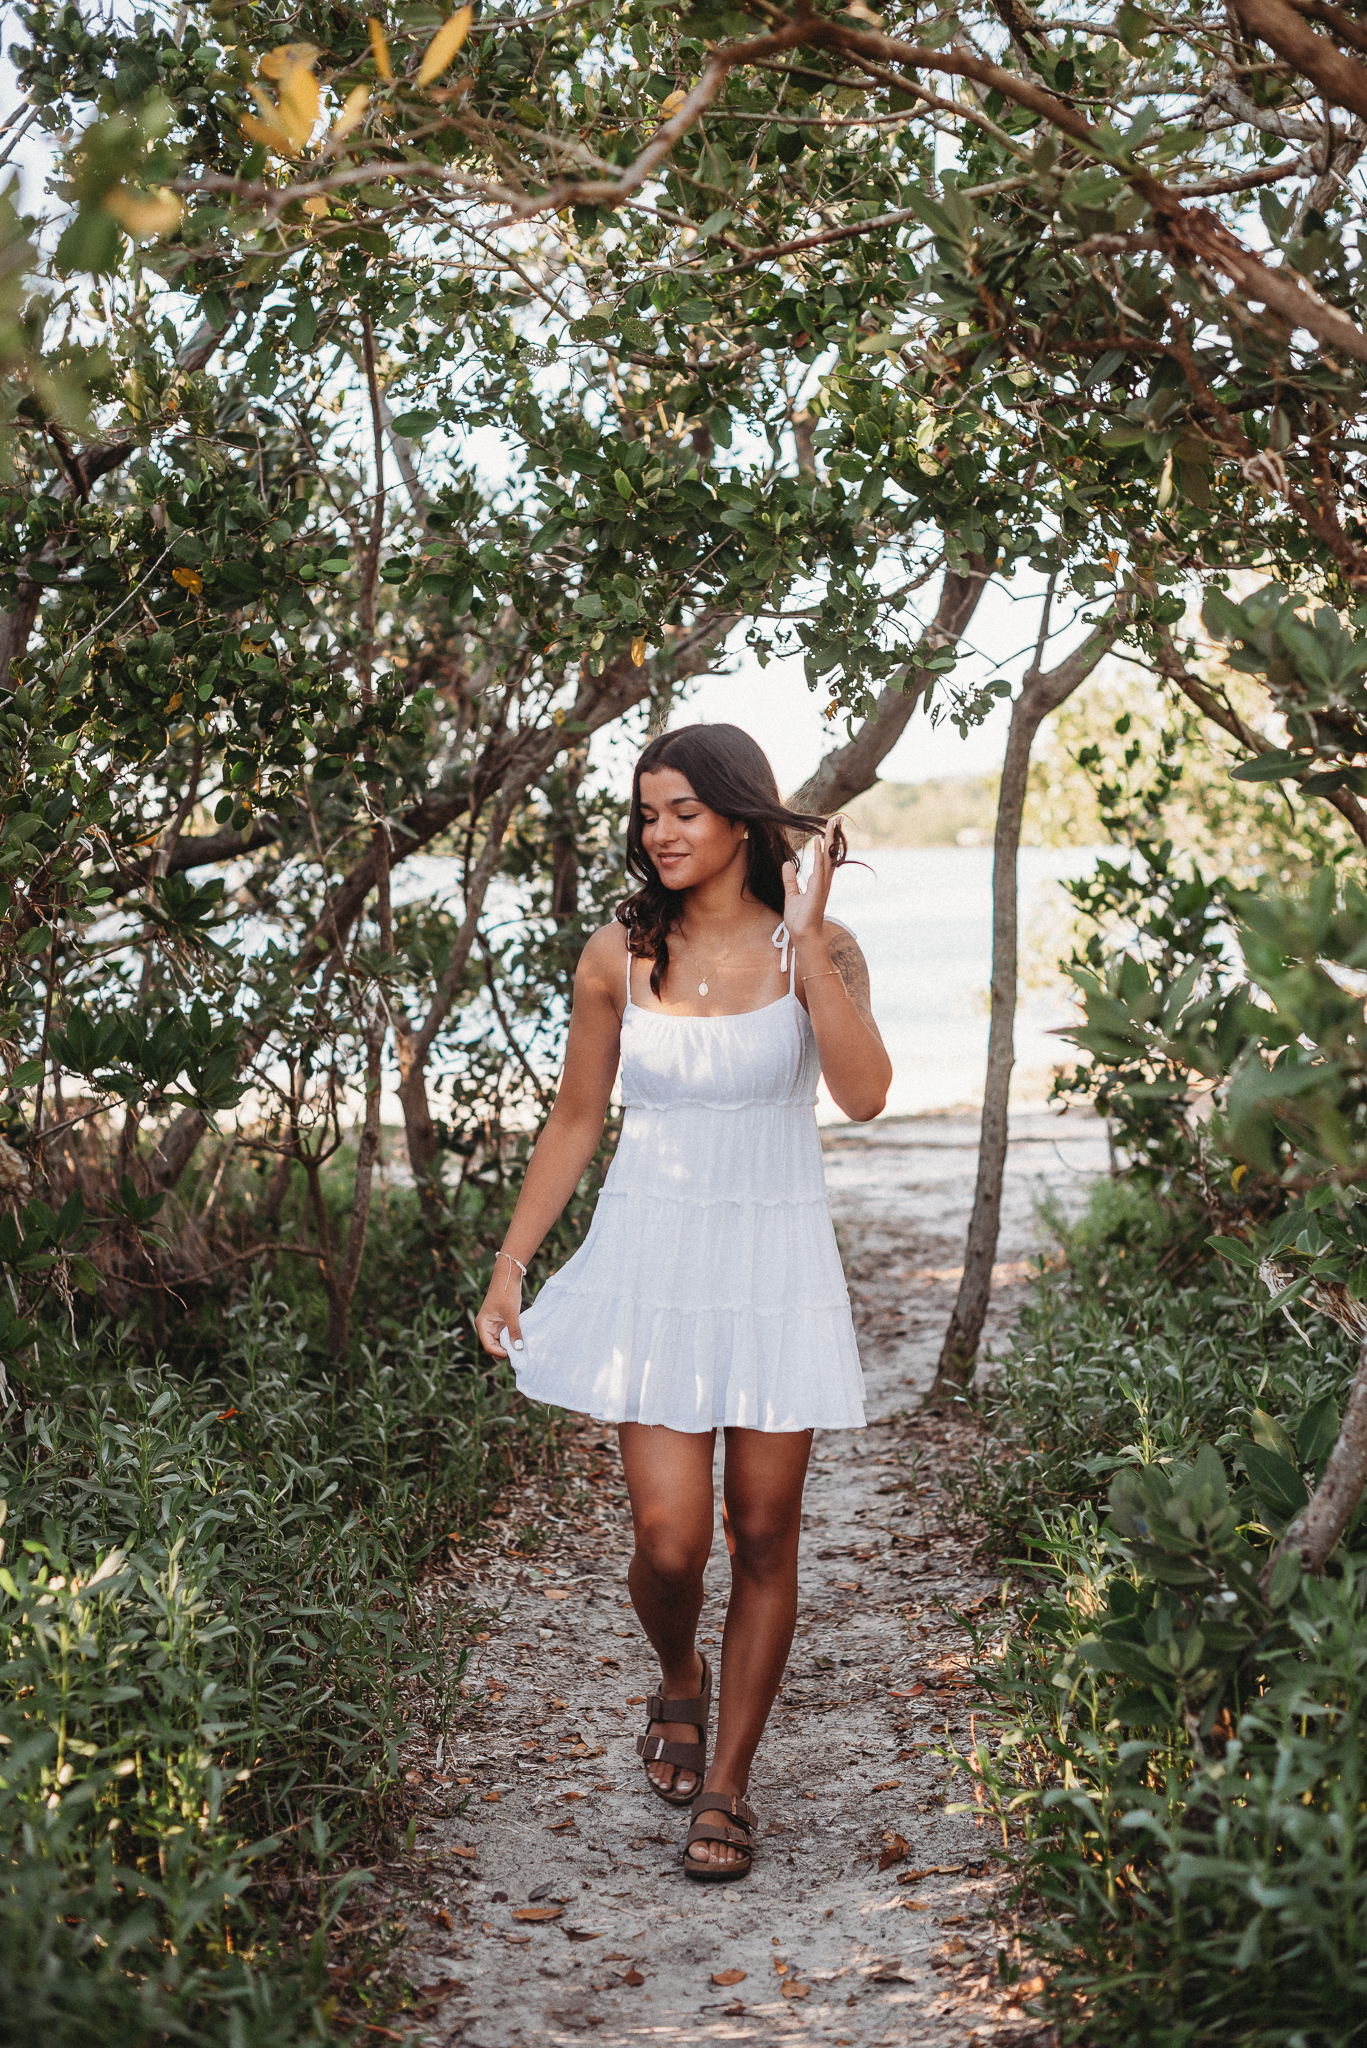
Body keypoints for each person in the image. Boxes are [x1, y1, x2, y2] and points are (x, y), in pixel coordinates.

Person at [475, 723, 891, 1881]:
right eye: (646, 813)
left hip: (772, 1263)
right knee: (669, 1539)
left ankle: (727, 1784)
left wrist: (807, 946)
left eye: (682, 812)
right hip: (649, 1263)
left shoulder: (824, 945)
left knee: (763, 1529)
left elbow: (861, 1096)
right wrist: (512, 1261)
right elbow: (573, 1119)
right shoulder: (617, 952)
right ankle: (678, 1674)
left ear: (741, 816)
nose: (658, 832)